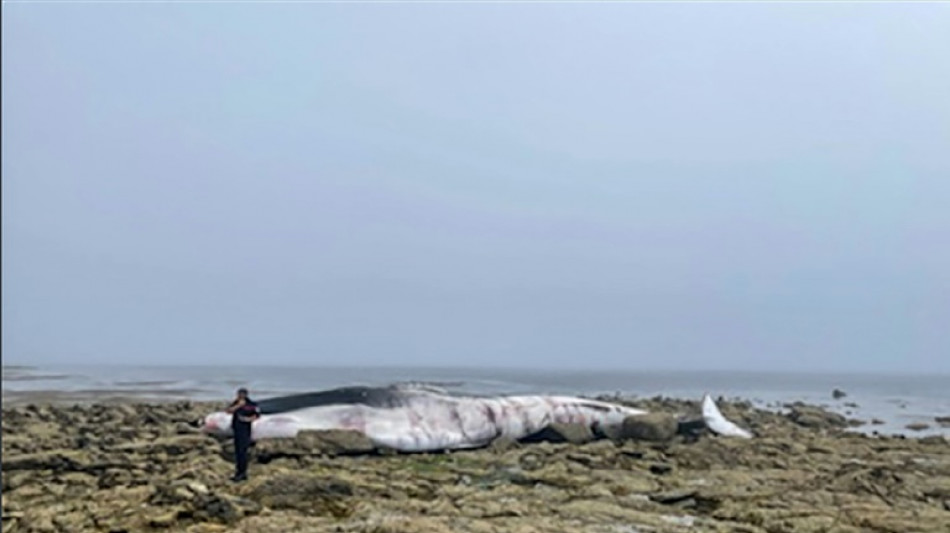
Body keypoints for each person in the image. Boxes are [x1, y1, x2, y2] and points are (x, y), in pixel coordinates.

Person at [225, 387, 260, 482]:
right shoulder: (236, 403)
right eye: (238, 394)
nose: (239, 396)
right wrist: (238, 406)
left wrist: (247, 420)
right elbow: (228, 411)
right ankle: (238, 472)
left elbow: (256, 415)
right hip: (236, 429)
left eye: (241, 394)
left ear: (245, 395)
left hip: (245, 430)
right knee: (237, 452)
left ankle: (242, 473)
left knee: (243, 452)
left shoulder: (251, 404)